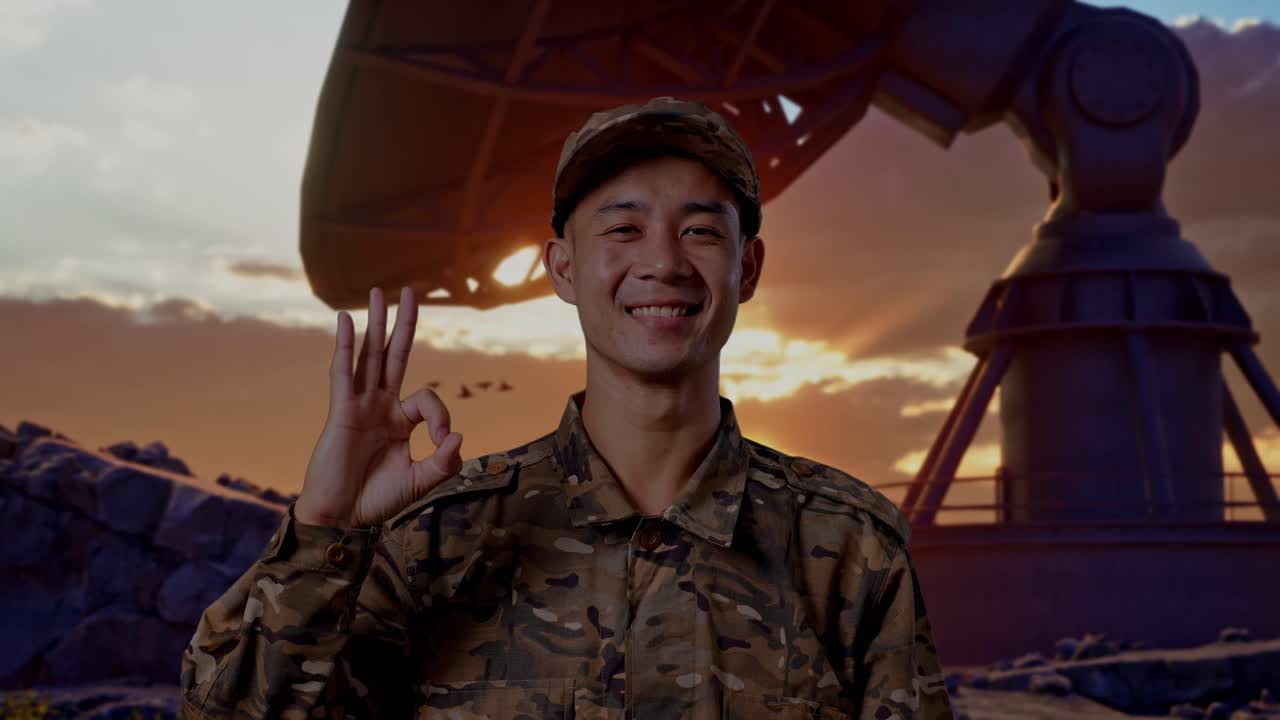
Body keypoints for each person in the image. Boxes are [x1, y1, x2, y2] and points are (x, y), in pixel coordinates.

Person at [179, 96, 954, 719]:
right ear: (561, 266)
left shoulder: (850, 547)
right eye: (623, 228)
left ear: (748, 267)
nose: (662, 261)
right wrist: (325, 530)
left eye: (699, 231)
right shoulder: (436, 542)